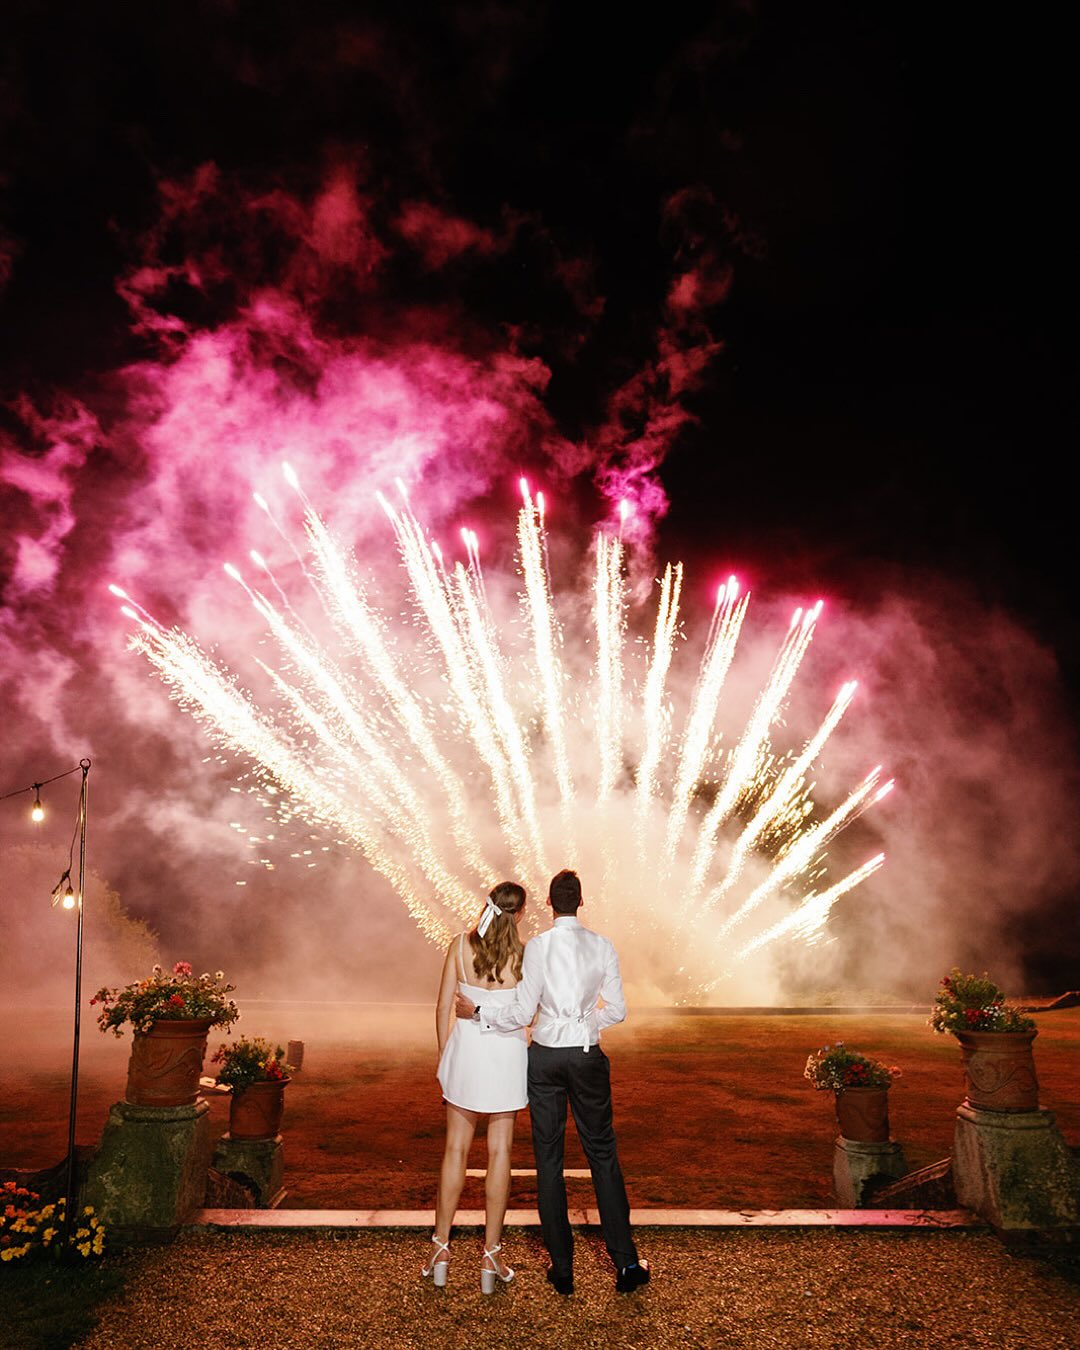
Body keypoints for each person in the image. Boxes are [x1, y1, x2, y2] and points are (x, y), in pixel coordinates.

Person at [455, 869, 650, 1296]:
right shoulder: (602, 946)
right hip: (585, 1056)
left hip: (542, 1058)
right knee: (603, 1156)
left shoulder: (538, 947)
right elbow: (616, 1010)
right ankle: (626, 1262)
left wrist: (479, 1014)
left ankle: (562, 1268)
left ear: (549, 903)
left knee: (549, 1162)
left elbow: (524, 1013)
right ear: (580, 901)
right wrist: (584, 1024)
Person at [424, 881, 528, 1294]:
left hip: (466, 1052)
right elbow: (528, 1013)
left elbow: (441, 1005)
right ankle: (490, 1255)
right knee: (500, 1150)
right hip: (506, 1056)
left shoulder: (458, 946)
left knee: (455, 1149)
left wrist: (443, 1053)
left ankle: (440, 1249)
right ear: (519, 915)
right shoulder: (525, 955)